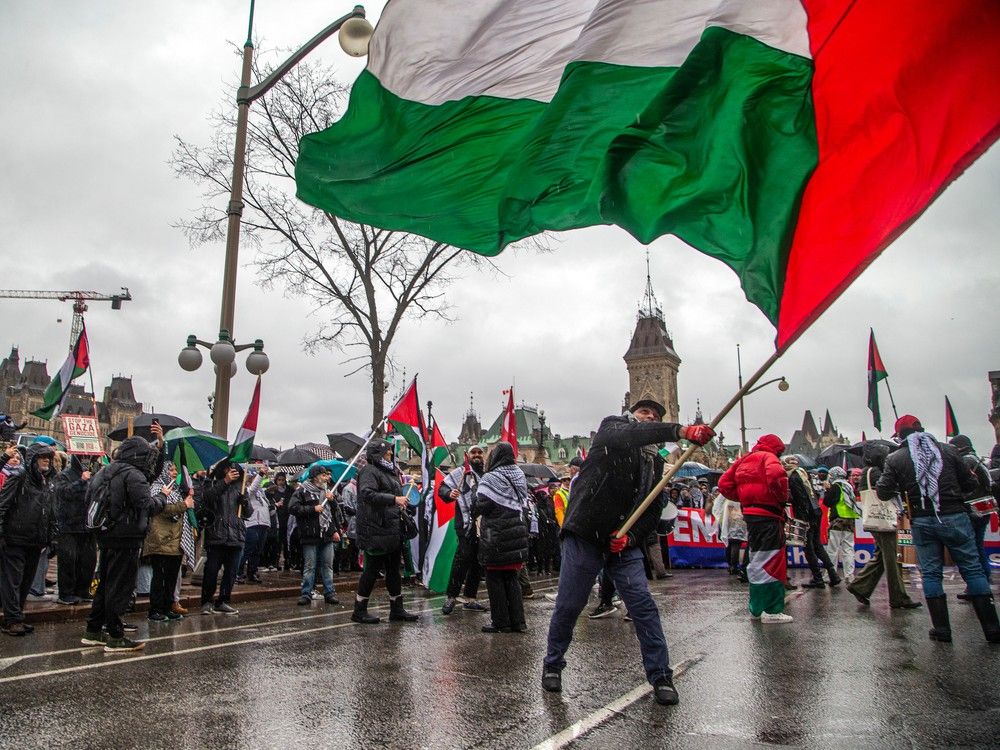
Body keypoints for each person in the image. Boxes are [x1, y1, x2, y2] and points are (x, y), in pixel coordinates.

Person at [541, 398, 714, 705]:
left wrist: (631, 536)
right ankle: (553, 664)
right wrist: (680, 430)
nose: (648, 416)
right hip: (585, 533)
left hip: (622, 542)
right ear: (631, 415)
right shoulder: (612, 428)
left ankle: (661, 676)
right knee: (569, 605)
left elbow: (651, 511)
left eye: (655, 414)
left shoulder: (655, 463)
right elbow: (626, 436)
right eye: (643, 412)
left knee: (643, 607)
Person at [877, 415, 998, 643]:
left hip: (922, 519)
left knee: (931, 573)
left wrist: (906, 488)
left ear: (900, 436)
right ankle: (992, 629)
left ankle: (942, 630)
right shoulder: (948, 450)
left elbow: (883, 491)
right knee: (972, 569)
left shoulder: (896, 458)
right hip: (954, 515)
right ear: (921, 428)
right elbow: (970, 483)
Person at [82, 426, 167, 651]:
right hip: (127, 537)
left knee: (105, 584)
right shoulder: (134, 475)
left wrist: (160, 444)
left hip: (105, 535)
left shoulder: (104, 471)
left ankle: (93, 630)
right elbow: (146, 506)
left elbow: (89, 500)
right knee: (119, 587)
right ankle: (115, 636)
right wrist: (161, 498)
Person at [719, 434, 792, 624]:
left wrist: (744, 496)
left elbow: (724, 484)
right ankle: (772, 610)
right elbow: (777, 476)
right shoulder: (769, 458)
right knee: (772, 561)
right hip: (769, 515)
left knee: (757, 560)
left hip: (751, 515)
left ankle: (757, 607)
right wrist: (780, 498)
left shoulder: (743, 460)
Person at [352, 439, 418, 624]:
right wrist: (394, 499)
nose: (390, 454)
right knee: (371, 571)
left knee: (394, 571)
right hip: (376, 530)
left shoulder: (389, 472)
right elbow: (367, 494)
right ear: (378, 454)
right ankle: (359, 610)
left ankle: (397, 609)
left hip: (391, 529)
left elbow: (393, 498)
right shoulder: (369, 471)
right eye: (388, 451)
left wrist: (402, 502)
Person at [846, 443, 920, 609]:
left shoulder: (867, 472)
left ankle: (860, 587)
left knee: (882, 555)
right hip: (885, 520)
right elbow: (887, 490)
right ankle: (898, 596)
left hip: (875, 520)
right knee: (893, 559)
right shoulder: (875, 472)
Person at [0, 443, 57, 636]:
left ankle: (17, 616)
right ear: (33, 459)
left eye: (48, 457)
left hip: (36, 540)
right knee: (12, 581)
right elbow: (2, 506)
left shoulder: (47, 481)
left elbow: (51, 512)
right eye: (42, 457)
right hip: (15, 538)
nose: (46, 460)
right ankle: (12, 619)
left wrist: (52, 537)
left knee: (26, 581)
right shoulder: (18, 478)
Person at [473, 442, 530, 633]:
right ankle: (518, 622)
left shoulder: (491, 478)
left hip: (496, 535)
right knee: (512, 580)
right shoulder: (519, 474)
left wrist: (474, 497)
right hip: (516, 534)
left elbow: (481, 506)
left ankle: (501, 622)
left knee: (495, 579)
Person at [197, 460, 251, 616]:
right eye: (228, 469)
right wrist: (225, 482)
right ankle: (207, 602)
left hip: (236, 535)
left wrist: (245, 503)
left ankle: (224, 600)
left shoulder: (240, 488)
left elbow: (248, 513)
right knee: (212, 571)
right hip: (217, 534)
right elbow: (207, 499)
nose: (231, 472)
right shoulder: (212, 483)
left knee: (231, 572)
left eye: (234, 470)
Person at [439, 445, 487, 615]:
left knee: (477, 562)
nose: (477, 455)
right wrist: (449, 493)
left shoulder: (487, 474)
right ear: (467, 455)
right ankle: (451, 597)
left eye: (480, 453)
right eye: (473, 453)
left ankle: (471, 598)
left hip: (483, 524)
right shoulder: (460, 472)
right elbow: (442, 488)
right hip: (466, 523)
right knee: (462, 559)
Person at [143, 463, 195, 622]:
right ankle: (155, 609)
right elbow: (162, 508)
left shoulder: (177, 489)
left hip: (175, 540)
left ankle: (167, 607)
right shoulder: (156, 487)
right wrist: (183, 505)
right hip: (161, 539)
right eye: (171, 470)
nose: (174, 473)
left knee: (172, 577)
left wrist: (188, 498)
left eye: (175, 470)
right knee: (160, 577)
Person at [949, 434, 994, 600]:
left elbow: (961, 483)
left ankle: (977, 584)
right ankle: (983, 580)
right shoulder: (977, 459)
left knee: (972, 548)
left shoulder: (966, 461)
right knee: (978, 545)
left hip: (972, 508)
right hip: (984, 507)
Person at [290, 465, 343, 606]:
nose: (327, 478)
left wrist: (332, 501)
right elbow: (293, 508)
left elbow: (332, 514)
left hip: (326, 533)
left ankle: (329, 592)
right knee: (310, 566)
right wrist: (312, 509)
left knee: (327, 565)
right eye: (324, 475)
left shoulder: (326, 492)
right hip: (310, 534)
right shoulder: (302, 491)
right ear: (316, 477)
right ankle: (306, 593)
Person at [784, 456, 838, 588]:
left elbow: (800, 498)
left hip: (805, 515)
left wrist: (803, 516)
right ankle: (833, 574)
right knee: (817, 545)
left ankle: (818, 578)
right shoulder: (803, 473)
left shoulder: (793, 477)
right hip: (815, 511)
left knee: (808, 547)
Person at [52, 454, 96, 605]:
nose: (87, 460)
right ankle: (66, 593)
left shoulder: (94, 475)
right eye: (83, 457)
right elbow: (63, 493)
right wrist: (81, 482)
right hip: (69, 526)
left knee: (87, 561)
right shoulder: (64, 475)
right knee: (68, 561)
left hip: (87, 526)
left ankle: (83, 590)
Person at [823, 467, 860, 583]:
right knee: (848, 548)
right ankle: (849, 575)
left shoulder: (836, 486)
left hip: (837, 519)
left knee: (833, 549)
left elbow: (827, 502)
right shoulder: (848, 485)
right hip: (849, 520)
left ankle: (830, 574)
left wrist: (827, 490)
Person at [238, 466, 271, 584]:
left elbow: (265, 505)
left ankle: (252, 572)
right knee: (248, 549)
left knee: (258, 551)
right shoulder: (245, 490)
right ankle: (238, 572)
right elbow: (252, 490)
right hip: (251, 523)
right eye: (251, 477)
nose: (253, 479)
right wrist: (260, 474)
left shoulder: (261, 491)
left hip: (263, 523)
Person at [266, 472, 295, 571]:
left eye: (283, 480)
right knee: (276, 542)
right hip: (277, 518)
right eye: (279, 480)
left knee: (287, 542)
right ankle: (274, 562)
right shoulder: (273, 491)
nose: (281, 482)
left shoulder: (290, 490)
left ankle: (288, 562)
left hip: (288, 518)